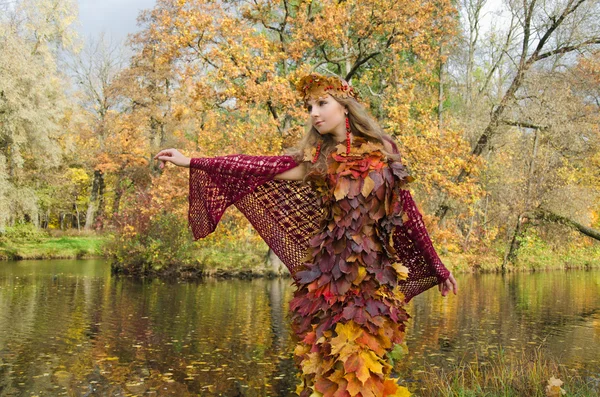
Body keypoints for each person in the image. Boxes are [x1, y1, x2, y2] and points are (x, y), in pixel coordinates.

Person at [154, 72, 457, 396]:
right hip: (328, 280)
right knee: (328, 366)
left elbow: (408, 213)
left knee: (364, 369)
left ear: (345, 106)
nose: (313, 113)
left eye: (321, 103)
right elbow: (255, 166)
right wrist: (193, 162)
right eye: (309, 106)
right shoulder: (317, 161)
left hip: (373, 283)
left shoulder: (383, 151)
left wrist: (436, 266)